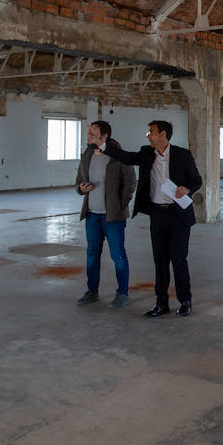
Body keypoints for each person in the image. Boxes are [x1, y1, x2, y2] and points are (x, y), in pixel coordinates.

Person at [97, 120, 202, 318]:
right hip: (158, 215)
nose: (148, 135)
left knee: (178, 259)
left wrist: (188, 188)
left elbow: (197, 179)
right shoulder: (147, 153)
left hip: (178, 215)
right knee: (160, 261)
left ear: (163, 134)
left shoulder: (182, 155)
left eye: (151, 132)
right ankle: (161, 303)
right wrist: (103, 147)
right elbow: (126, 157)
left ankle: (185, 300)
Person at [75, 120, 137, 308]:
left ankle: (122, 293)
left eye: (93, 132)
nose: (89, 135)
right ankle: (92, 291)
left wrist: (120, 204)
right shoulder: (87, 154)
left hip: (113, 216)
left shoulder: (117, 155)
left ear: (105, 136)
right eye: (89, 132)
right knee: (92, 254)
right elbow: (78, 180)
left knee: (118, 255)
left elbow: (130, 181)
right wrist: (82, 188)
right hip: (92, 214)